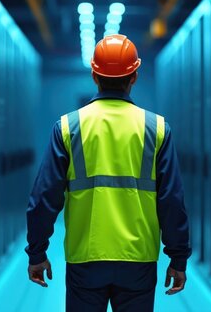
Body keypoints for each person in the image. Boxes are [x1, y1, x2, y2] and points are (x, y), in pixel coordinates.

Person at [25, 34, 191, 311]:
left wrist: (37, 252)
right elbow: (172, 200)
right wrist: (178, 257)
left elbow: (44, 196)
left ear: (94, 75)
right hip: (138, 259)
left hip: (85, 258)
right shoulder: (156, 128)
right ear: (134, 76)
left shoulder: (69, 127)